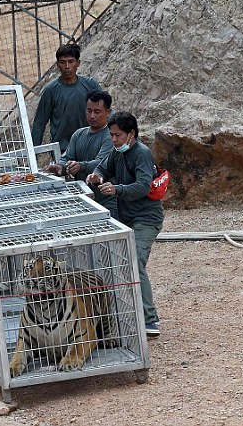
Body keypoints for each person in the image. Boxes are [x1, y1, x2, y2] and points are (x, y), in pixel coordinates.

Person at [87, 112, 163, 337]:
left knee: (136, 262)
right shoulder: (118, 152)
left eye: (117, 135)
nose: (113, 140)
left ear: (131, 134)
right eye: (111, 135)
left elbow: (142, 186)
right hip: (127, 219)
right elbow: (103, 167)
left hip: (146, 219)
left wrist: (117, 189)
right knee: (123, 262)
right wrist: (97, 176)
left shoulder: (141, 154)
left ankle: (150, 319)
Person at [44, 90, 117, 218]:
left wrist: (81, 166)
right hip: (84, 199)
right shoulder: (79, 134)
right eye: (89, 111)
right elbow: (67, 158)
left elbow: (102, 162)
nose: (92, 116)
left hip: (107, 200)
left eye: (97, 111)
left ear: (108, 112)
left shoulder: (112, 137)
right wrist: (60, 167)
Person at [30, 44, 103, 153]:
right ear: (58, 65)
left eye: (71, 61)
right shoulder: (51, 90)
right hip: (61, 150)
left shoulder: (91, 86)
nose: (67, 66)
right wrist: (33, 154)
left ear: (78, 63)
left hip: (90, 147)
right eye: (63, 62)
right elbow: (39, 124)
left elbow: (104, 112)